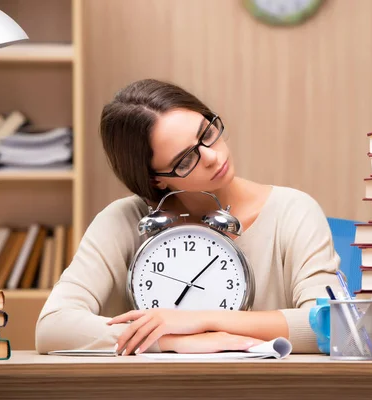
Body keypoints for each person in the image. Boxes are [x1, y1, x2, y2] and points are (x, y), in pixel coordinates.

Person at [35, 78, 341, 356]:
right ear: (156, 180)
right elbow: (53, 327)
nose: (212, 156)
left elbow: (334, 326)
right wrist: (173, 341)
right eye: (185, 160)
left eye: (207, 133)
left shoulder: (293, 212)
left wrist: (195, 321)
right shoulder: (122, 221)